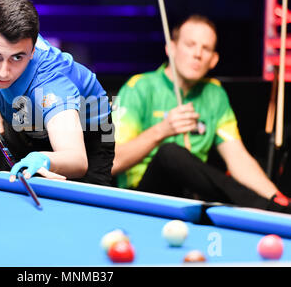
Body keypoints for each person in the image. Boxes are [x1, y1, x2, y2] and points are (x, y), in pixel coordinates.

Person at [111, 14, 291, 213]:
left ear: (213, 60)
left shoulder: (214, 93)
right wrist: (162, 130)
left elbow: (238, 159)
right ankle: (264, 207)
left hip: (193, 198)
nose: (197, 54)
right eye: (190, 44)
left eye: (206, 49)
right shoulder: (139, 87)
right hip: (143, 198)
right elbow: (113, 161)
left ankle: (276, 209)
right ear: (170, 48)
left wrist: (276, 197)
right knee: (169, 153)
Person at [0, 0, 114, 186]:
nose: (3, 73)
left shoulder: (51, 84)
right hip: (28, 116)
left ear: (32, 51)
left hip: (85, 130)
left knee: (81, 210)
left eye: (17, 57)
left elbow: (76, 159)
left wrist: (43, 159)